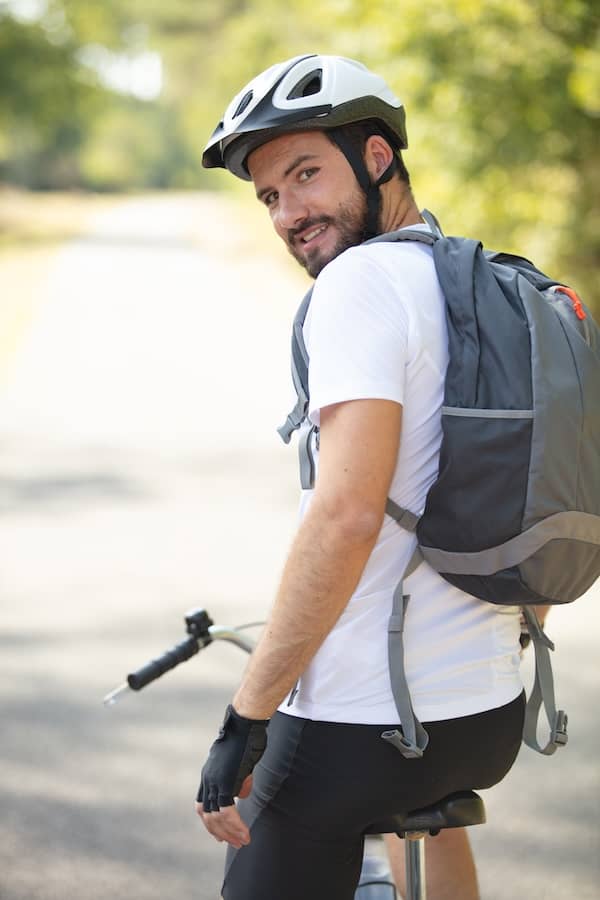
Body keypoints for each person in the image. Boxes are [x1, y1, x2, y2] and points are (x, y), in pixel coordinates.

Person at [195, 54, 525, 900]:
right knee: (427, 815)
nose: (288, 213)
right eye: (269, 195)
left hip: (359, 723)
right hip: (487, 718)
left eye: (305, 174)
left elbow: (346, 517)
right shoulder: (484, 284)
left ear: (376, 157)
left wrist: (247, 716)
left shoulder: (361, 285)